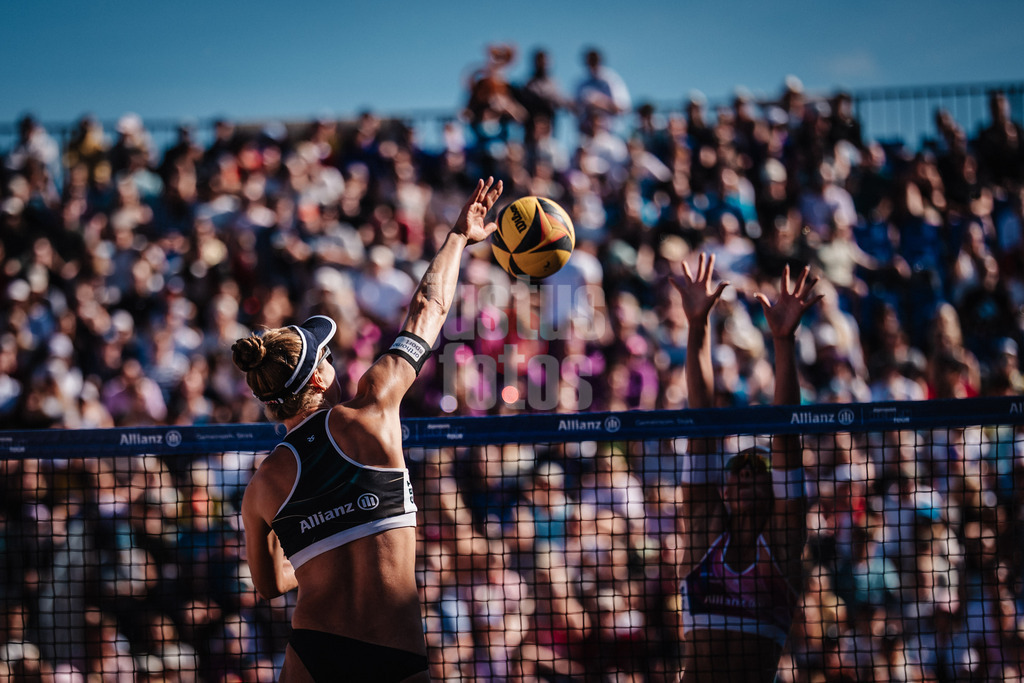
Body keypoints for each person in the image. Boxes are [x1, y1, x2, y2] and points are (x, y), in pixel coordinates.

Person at [233, 177, 504, 682]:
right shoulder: (374, 406)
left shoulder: (262, 487)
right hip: (394, 652)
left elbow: (270, 586)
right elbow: (428, 309)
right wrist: (458, 237)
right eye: (328, 357)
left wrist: (318, 548)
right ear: (318, 376)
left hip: (315, 652)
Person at [673, 253, 821, 682]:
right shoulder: (703, 529)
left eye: (759, 469)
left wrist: (783, 342)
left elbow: (786, 439)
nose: (747, 472)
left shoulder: (783, 539)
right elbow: (702, 422)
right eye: (740, 468)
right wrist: (698, 325)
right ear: (726, 489)